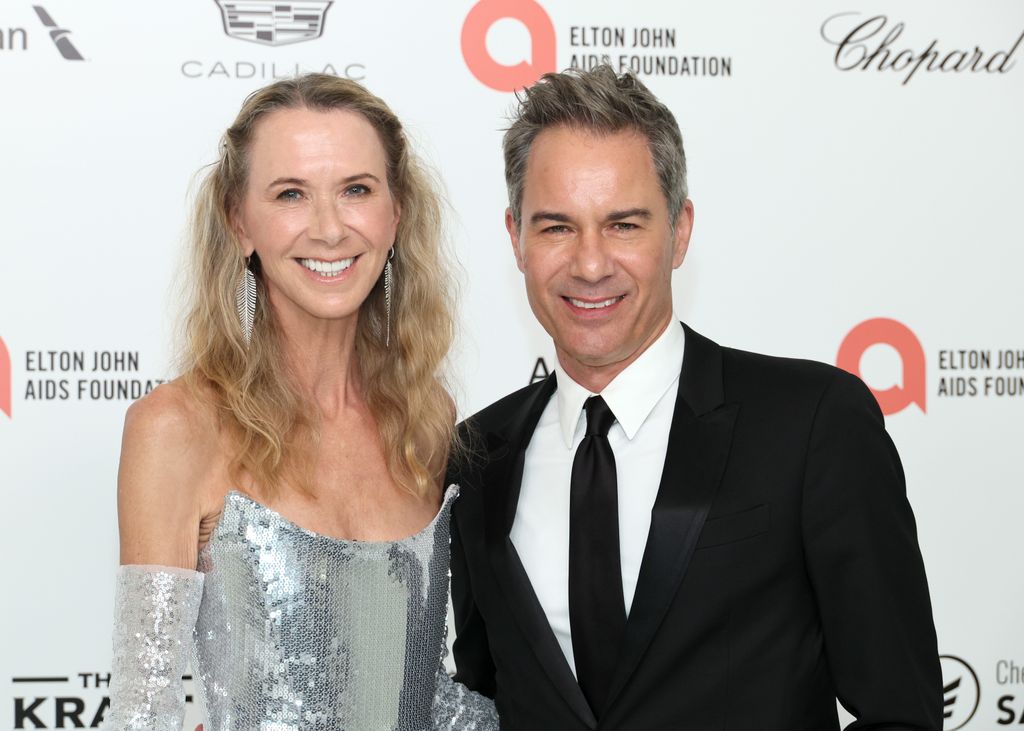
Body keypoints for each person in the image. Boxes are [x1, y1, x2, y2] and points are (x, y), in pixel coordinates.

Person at [448, 65, 942, 730]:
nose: (590, 264)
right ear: (516, 238)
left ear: (679, 232)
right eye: (557, 227)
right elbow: (483, 703)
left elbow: (901, 711)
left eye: (623, 224)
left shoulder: (812, 423)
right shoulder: (477, 458)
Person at [103, 73, 497, 731]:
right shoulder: (177, 427)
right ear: (239, 221)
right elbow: (145, 713)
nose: (328, 227)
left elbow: (421, 693)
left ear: (395, 214)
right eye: (291, 194)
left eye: (356, 190)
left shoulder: (424, 418)